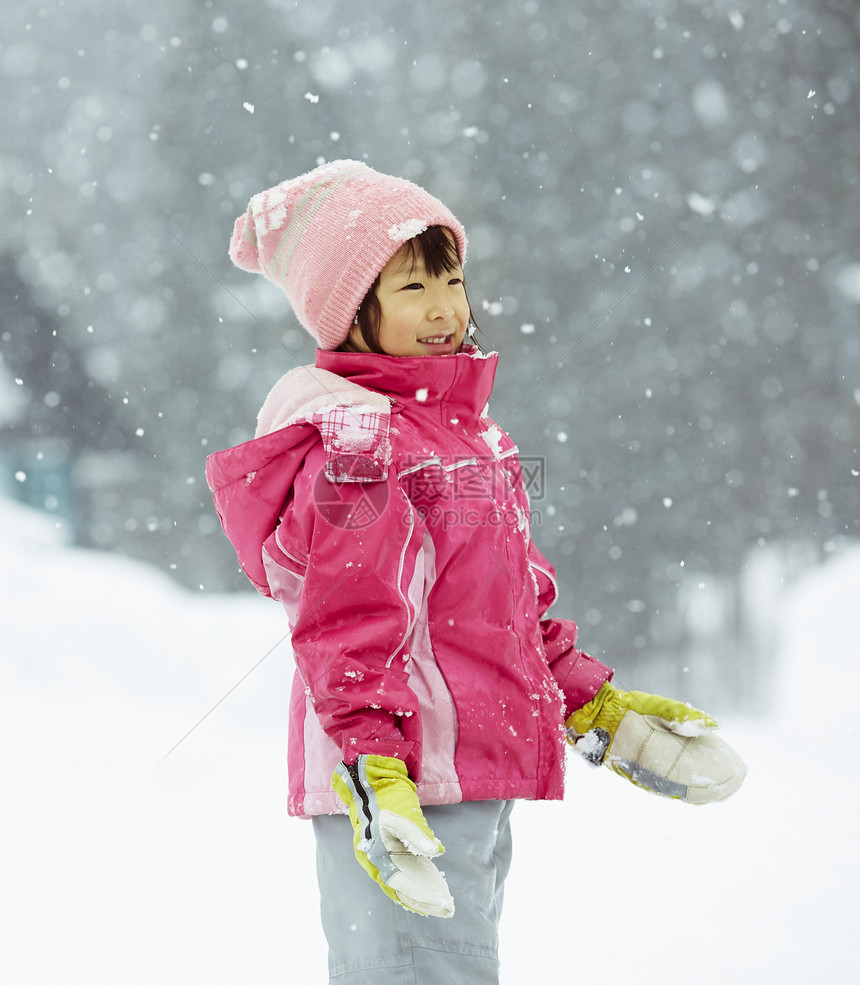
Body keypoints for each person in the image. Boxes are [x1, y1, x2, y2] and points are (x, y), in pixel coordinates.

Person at [206, 160, 746, 984]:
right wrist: (373, 764)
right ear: (352, 316)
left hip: (462, 779)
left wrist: (592, 705)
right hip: (399, 787)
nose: (445, 307)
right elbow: (346, 623)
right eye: (413, 287)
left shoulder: (466, 437)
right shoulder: (360, 445)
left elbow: (505, 608)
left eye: (451, 278)